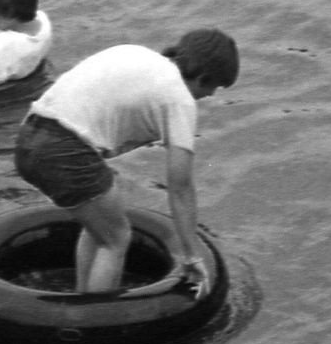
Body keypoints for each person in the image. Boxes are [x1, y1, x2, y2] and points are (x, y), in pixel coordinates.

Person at [14, 30, 238, 294]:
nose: (210, 95)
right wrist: (191, 256)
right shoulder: (180, 99)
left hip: (28, 137)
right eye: (214, 87)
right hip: (64, 149)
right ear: (203, 77)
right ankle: (93, 315)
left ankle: (82, 299)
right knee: (116, 239)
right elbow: (180, 186)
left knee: (101, 230)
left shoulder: (137, 53)